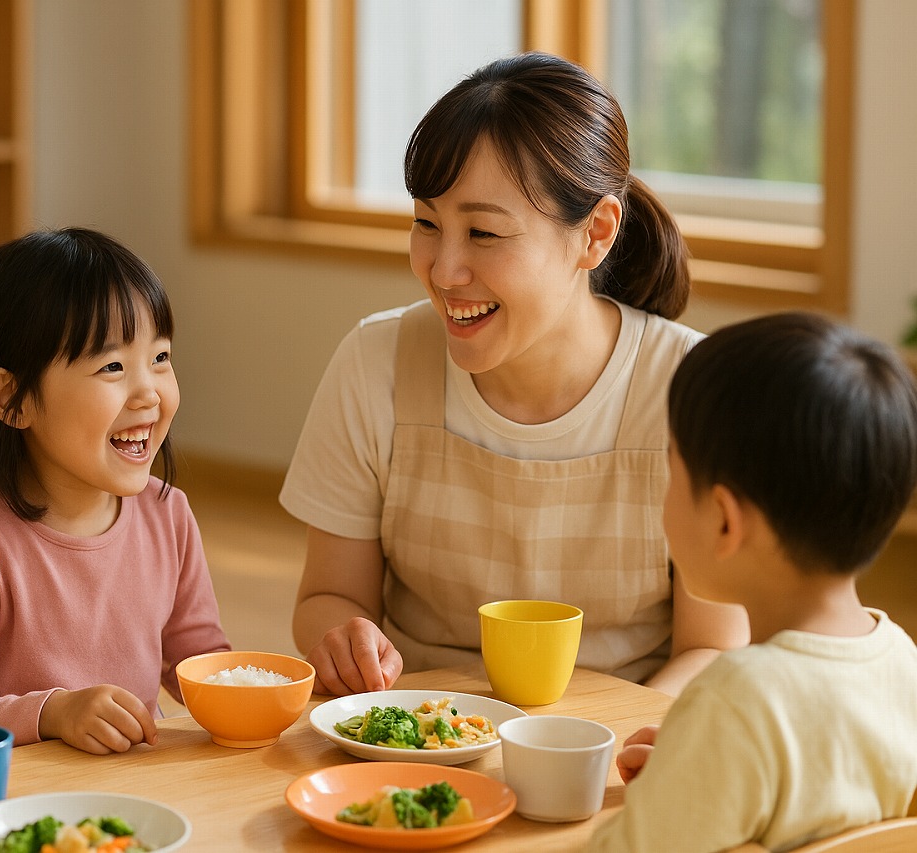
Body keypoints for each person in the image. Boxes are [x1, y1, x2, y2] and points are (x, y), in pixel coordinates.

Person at [279, 51, 749, 697]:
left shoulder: (694, 389)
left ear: (596, 233)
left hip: (619, 751)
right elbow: (330, 597)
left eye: (484, 232)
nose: (444, 270)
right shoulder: (375, 361)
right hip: (424, 734)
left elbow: (713, 649)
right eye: (426, 222)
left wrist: (614, 746)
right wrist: (341, 637)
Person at [588, 311, 917, 852]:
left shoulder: (736, 699)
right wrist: (693, 777)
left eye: (673, 473)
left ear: (724, 520)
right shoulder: (899, 660)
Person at [0, 228, 230, 755]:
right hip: (32, 809)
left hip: (143, 800)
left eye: (160, 358)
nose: (148, 391)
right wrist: (54, 712)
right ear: (13, 400)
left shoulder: (167, 513)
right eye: (112, 366)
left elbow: (201, 665)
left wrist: (307, 685)